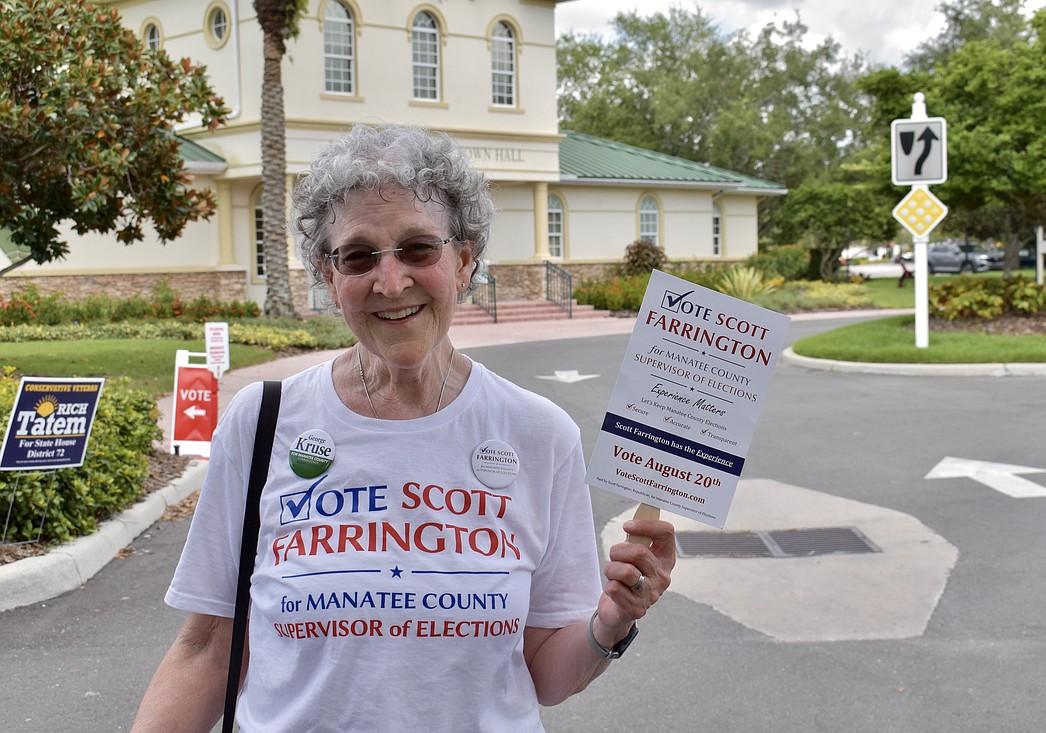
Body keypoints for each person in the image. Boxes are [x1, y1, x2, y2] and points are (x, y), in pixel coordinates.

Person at [132, 123, 676, 732]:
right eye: (359, 255)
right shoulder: (262, 424)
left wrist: (611, 620)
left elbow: (547, 674)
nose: (391, 282)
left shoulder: (539, 434)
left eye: (419, 248)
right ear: (330, 275)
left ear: (464, 260)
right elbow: (208, 651)